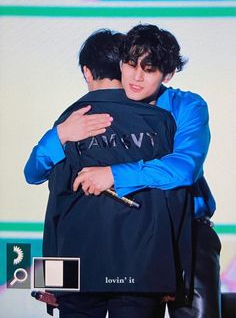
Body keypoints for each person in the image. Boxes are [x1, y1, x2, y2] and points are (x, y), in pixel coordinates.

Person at [25, 24, 221, 317]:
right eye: (130, 65)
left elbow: (184, 169)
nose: (137, 76)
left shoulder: (186, 106)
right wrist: (61, 135)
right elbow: (50, 185)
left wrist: (114, 174)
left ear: (167, 74)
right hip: (118, 241)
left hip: (186, 234)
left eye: (149, 69)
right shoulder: (94, 113)